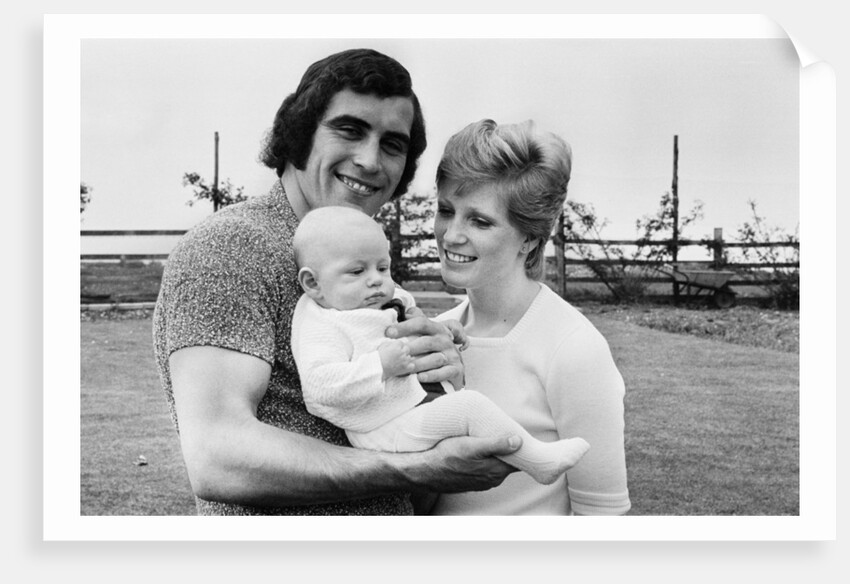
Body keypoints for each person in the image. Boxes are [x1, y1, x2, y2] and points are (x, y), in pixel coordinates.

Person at [153, 49, 521, 516]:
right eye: (350, 130)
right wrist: (417, 469)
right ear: (299, 132)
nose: (370, 160)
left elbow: (418, 490)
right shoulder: (232, 249)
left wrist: (435, 395)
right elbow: (218, 457)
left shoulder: (361, 267)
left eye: (392, 144)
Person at [290, 206, 591, 485]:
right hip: (380, 430)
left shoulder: (377, 302)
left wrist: (442, 330)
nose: (375, 281)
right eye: (357, 272)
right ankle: (539, 462)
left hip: (407, 408)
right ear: (313, 284)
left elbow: (407, 334)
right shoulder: (322, 323)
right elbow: (319, 388)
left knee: (472, 406)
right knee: (470, 407)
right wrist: (379, 366)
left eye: (382, 268)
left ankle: (526, 458)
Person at [425, 119, 631, 515]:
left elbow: (604, 518)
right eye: (446, 210)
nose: (451, 235)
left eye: (479, 221)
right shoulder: (440, 331)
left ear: (530, 239)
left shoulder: (573, 348)